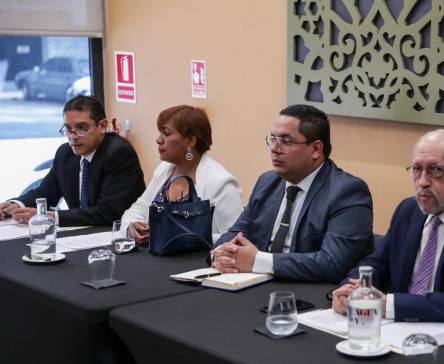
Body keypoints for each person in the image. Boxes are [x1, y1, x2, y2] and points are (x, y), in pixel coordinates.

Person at [332, 129, 444, 328]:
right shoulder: (408, 210)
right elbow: (376, 264)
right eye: (417, 169)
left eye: (436, 170)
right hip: (398, 330)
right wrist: (350, 291)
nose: (423, 182)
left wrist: (389, 305)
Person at [211, 104, 373, 283]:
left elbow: (332, 263)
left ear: (316, 149)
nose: (275, 148)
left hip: (309, 294)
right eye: (273, 139)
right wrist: (221, 254)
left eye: (286, 141)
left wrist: (258, 261)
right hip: (256, 283)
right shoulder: (267, 182)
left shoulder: (347, 192)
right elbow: (236, 233)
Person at [0, 95, 145, 227]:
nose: (73, 136)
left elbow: (108, 212)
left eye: (81, 128)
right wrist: (15, 204)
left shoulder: (119, 153)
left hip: (116, 234)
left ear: (102, 126)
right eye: (68, 129)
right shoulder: (65, 153)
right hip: (80, 235)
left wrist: (51, 216)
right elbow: (44, 192)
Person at [120, 105, 243, 244]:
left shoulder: (221, 183)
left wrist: (179, 237)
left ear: (190, 141)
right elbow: (135, 211)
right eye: (160, 133)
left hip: (200, 263)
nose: (158, 140)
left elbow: (236, 239)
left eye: (166, 134)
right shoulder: (164, 169)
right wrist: (132, 226)